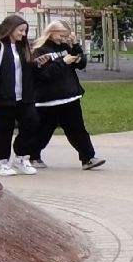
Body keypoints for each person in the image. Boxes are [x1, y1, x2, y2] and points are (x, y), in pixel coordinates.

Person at [32, 21, 105, 170]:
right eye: (61, 35)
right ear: (51, 32)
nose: (63, 39)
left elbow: (81, 64)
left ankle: (88, 158)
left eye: (66, 36)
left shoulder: (66, 47)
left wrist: (76, 47)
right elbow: (44, 74)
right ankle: (32, 156)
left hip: (70, 96)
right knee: (43, 131)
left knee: (78, 130)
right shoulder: (40, 50)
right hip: (49, 100)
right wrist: (63, 62)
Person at [0, 14, 41, 177]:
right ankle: (1, 162)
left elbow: (28, 71)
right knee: (3, 130)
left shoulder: (23, 48)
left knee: (32, 122)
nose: (23, 34)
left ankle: (22, 156)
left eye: (25, 31)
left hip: (24, 97)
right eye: (20, 30)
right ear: (10, 29)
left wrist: (37, 65)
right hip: (3, 97)